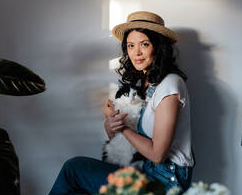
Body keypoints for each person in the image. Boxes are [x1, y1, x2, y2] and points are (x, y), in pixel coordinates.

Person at [49, 11, 195, 195]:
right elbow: (127, 143)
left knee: (73, 169)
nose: (137, 52)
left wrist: (124, 128)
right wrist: (112, 124)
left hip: (165, 181)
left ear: (158, 47)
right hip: (143, 169)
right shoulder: (143, 84)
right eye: (131, 46)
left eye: (145, 44)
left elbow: (158, 155)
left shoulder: (170, 85)